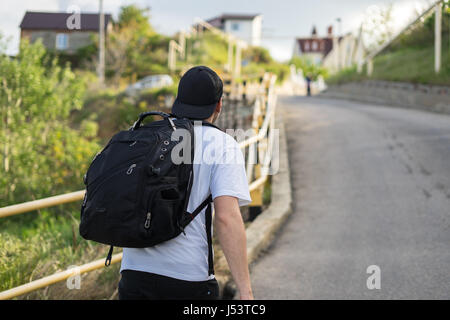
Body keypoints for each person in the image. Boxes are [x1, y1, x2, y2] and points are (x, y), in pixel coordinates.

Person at [118, 66, 254, 300]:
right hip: (188, 281)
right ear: (218, 106)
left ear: (177, 102)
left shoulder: (148, 135)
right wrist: (245, 291)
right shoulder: (223, 145)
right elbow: (226, 218)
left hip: (134, 275)